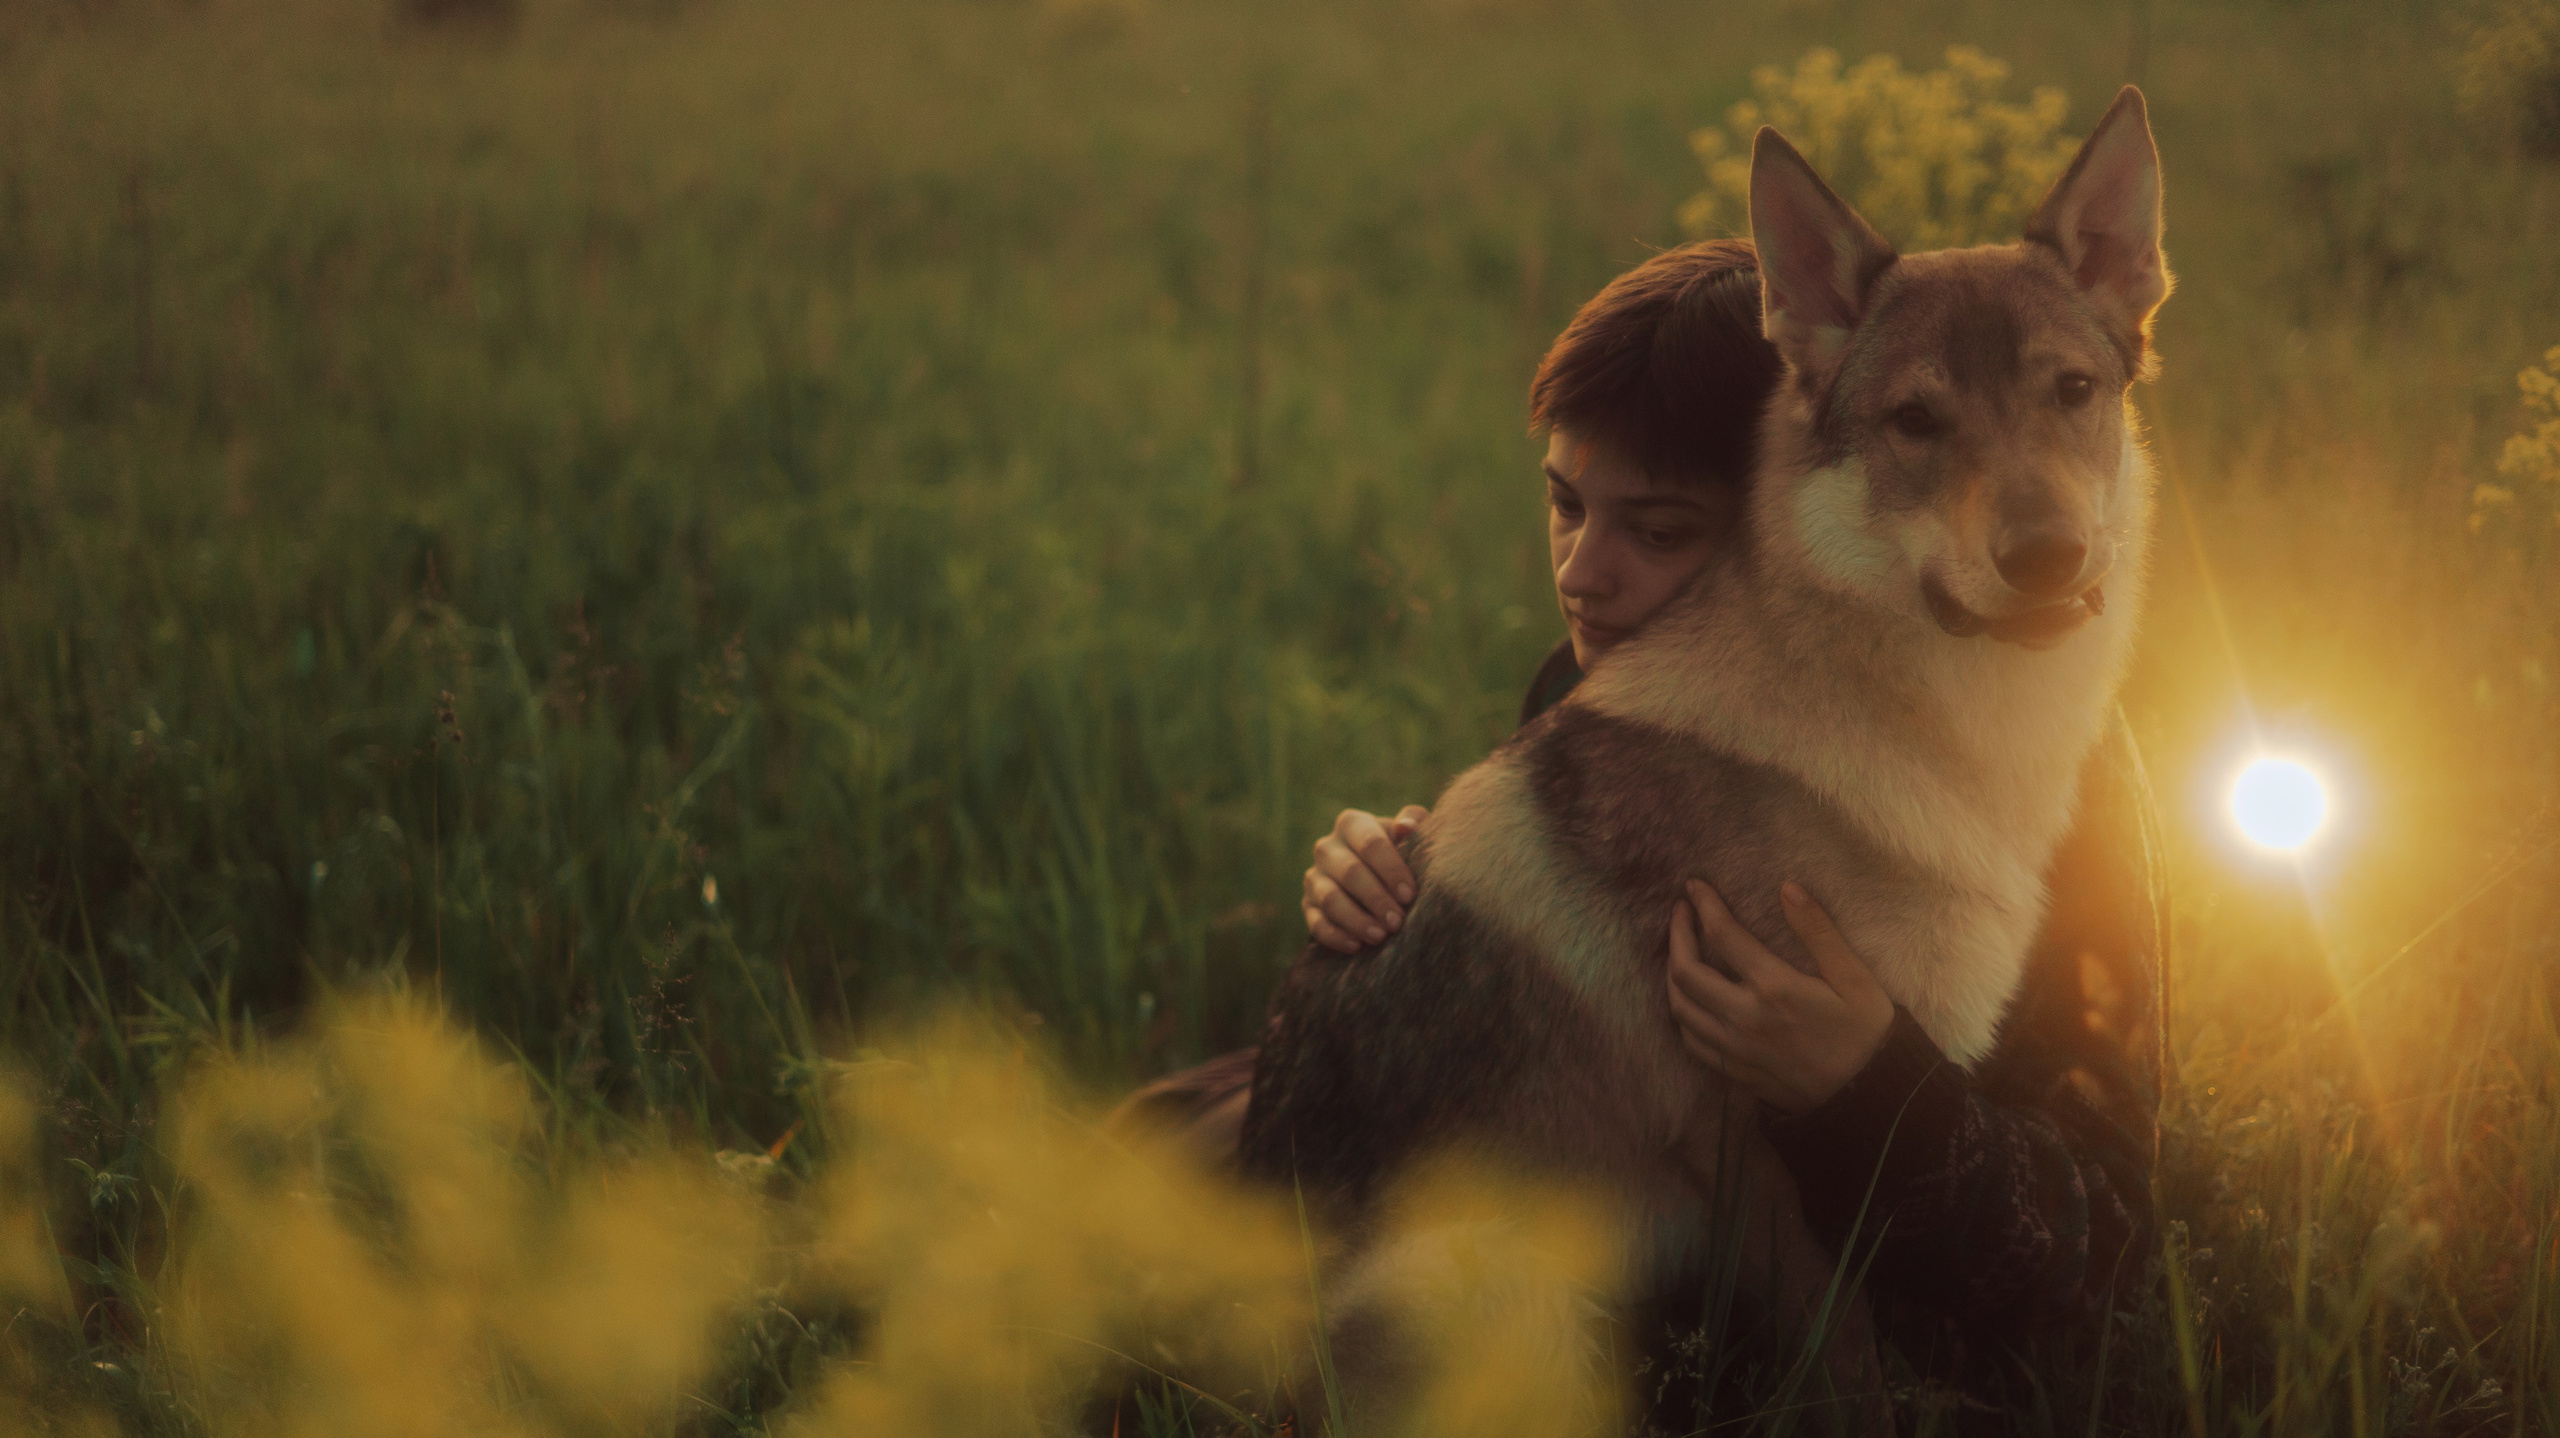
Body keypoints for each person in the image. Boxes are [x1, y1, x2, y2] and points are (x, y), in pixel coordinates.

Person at [1117, 237, 2167, 1395]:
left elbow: (2106, 1224)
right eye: (1565, 506)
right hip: (1503, 1257)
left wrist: (1868, 1085)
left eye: (1658, 530)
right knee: (1148, 1164)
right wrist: (1389, 880)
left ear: (1782, 514)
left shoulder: (2066, 785)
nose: (1579, 573)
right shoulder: (1598, 702)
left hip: (1736, 1280)